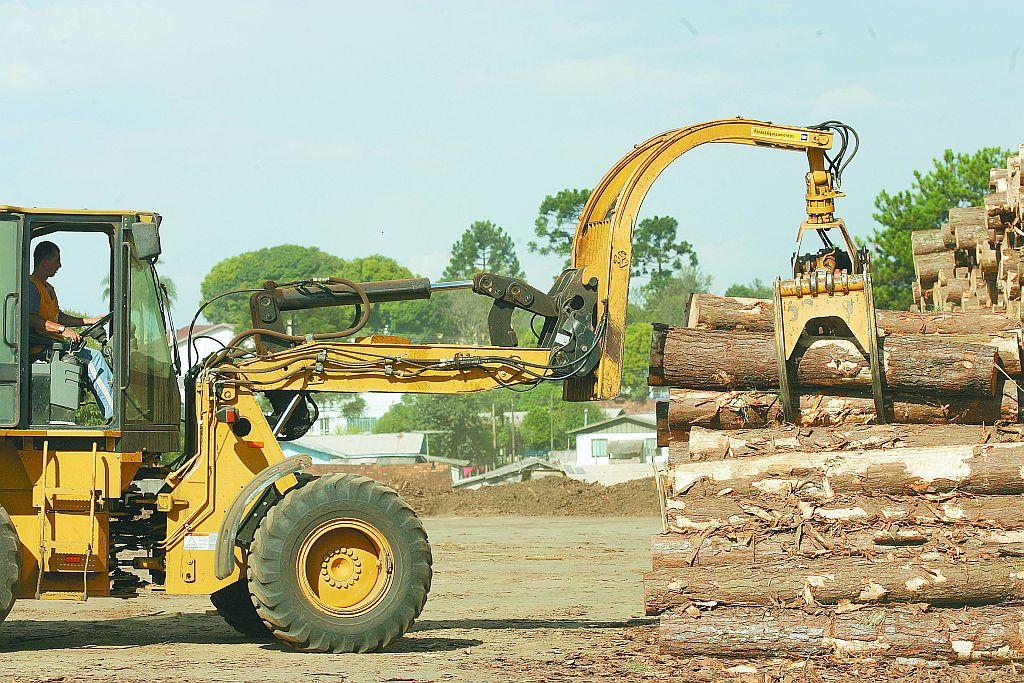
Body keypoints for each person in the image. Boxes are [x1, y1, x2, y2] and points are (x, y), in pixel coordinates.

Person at [27, 240, 114, 421]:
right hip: (41, 349)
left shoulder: (48, 288)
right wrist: (62, 330)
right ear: (44, 262)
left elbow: (58, 316)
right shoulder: (31, 286)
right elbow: (31, 318)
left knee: (90, 354)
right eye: (57, 260)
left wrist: (88, 321)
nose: (60, 265)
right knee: (94, 357)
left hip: (54, 345)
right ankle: (115, 413)